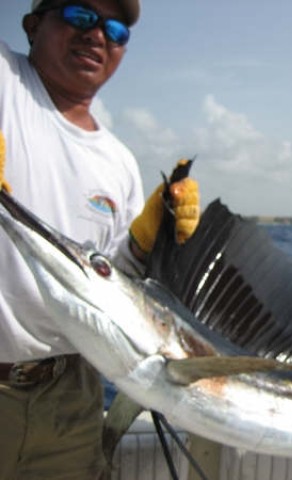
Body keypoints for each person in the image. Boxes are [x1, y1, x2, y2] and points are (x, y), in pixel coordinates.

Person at [0, 1, 200, 479]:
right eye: (80, 15)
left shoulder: (120, 162)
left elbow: (112, 287)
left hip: (72, 397)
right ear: (33, 25)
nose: (97, 35)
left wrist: (143, 246)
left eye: (115, 29)